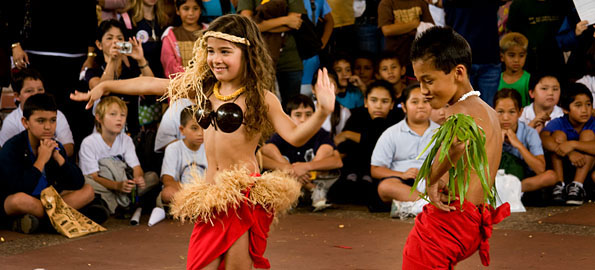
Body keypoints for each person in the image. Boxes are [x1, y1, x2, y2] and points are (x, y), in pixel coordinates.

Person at [72, 14, 335, 269]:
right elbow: (151, 83)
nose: (215, 59)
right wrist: (108, 87)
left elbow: (295, 135)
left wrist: (322, 111)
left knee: (237, 267)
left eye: (225, 52)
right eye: (211, 51)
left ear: (247, 53)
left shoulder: (261, 98)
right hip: (212, 197)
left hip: (242, 197)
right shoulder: (204, 90)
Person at [402, 26, 509, 269]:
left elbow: (457, 147)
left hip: (450, 221)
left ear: (458, 72)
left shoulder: (460, 113)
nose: (424, 90)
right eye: (419, 81)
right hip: (473, 222)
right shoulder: (489, 112)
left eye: (429, 80)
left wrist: (432, 178)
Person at [0, 94, 105, 234]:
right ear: (26, 122)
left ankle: (39, 223)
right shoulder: (12, 147)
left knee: (88, 191)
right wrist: (41, 160)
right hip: (24, 200)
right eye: (41, 121)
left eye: (53, 120)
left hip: (50, 201)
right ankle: (63, 220)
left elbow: (77, 183)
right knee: (19, 200)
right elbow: (19, 188)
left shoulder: (56, 146)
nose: (48, 127)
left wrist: (59, 158)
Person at [79, 97, 160, 215]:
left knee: (152, 177)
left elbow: (136, 167)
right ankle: (114, 203)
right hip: (104, 184)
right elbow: (94, 177)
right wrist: (117, 186)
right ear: (99, 118)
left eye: (122, 115)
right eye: (113, 114)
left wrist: (138, 178)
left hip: (123, 181)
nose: (119, 119)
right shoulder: (89, 143)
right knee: (88, 183)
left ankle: (117, 202)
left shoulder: (126, 140)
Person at [260, 95, 342, 211]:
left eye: (308, 115)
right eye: (298, 115)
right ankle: (307, 190)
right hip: (287, 182)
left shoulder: (321, 134)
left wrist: (306, 167)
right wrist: (290, 168)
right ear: (288, 117)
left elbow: (337, 162)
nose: (303, 119)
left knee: (327, 150)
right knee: (268, 149)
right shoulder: (279, 135)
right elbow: (260, 158)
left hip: (315, 179)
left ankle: (314, 191)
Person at [370, 83, 438, 219]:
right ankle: (428, 205)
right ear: (404, 107)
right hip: (403, 182)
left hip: (432, 181)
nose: (421, 106)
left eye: (426, 101)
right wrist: (402, 174)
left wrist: (432, 174)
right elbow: (376, 169)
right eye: (414, 102)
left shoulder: (441, 132)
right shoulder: (391, 133)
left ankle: (415, 206)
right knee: (385, 186)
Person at [329, 80, 399, 208]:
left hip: (383, 170)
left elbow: (379, 141)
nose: (378, 106)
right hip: (353, 170)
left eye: (384, 101)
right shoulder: (357, 116)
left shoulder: (397, 119)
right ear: (366, 102)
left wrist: (349, 134)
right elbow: (344, 146)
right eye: (373, 100)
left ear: (392, 104)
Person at [86, 19, 155, 137]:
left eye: (119, 38)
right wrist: (113, 60)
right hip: (104, 134)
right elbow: (104, 89)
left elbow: (151, 87)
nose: (115, 42)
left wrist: (140, 59)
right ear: (99, 44)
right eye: (109, 38)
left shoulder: (131, 69)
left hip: (132, 133)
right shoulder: (93, 71)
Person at [238, 0, 307, 106]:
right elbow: (247, 25)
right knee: (262, 104)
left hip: (290, 59)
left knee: (292, 106)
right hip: (259, 58)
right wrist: (286, 20)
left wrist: (261, 26)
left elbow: (296, 23)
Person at [494, 89, 557, 195]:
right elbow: (482, 166)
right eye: (500, 112)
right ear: (493, 111)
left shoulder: (530, 133)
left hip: (523, 181)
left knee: (551, 176)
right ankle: (502, 190)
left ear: (520, 112)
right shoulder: (490, 131)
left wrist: (518, 144)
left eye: (512, 112)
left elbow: (540, 169)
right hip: (495, 178)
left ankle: (511, 190)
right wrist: (497, 143)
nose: (505, 117)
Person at [540, 83, 595, 206]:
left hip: (585, 169)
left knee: (588, 136)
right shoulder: (559, 122)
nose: (585, 110)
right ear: (565, 109)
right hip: (563, 167)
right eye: (578, 105)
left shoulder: (593, 123)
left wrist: (573, 144)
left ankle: (577, 186)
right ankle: (559, 185)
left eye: (588, 104)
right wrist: (569, 152)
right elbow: (543, 139)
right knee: (557, 136)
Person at [0, 69, 74, 157]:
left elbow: (69, 147)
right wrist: (41, 157)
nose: (36, 94)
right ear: (17, 96)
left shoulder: (58, 114)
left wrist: (53, 152)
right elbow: (7, 153)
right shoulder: (11, 122)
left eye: (40, 90)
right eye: (29, 91)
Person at [159, 105, 207, 206]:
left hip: (204, 192)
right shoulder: (173, 148)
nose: (200, 133)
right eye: (194, 128)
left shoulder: (210, 147)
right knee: (167, 193)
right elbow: (167, 181)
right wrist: (192, 190)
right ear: (182, 130)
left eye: (204, 128)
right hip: (182, 192)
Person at [377, 0, 434, 65]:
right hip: (396, 54)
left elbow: (430, 28)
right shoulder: (386, 3)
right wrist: (414, 24)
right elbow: (387, 30)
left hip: (418, 54)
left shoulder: (420, 2)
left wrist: (400, 28)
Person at [161, 0, 207, 78]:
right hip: (179, 83)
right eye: (186, 9)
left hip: (206, 80)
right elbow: (169, 64)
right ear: (177, 11)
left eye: (195, 8)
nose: (191, 13)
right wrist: (188, 78)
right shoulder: (170, 34)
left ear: (200, 10)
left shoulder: (208, 31)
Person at [498, 32, 531, 107]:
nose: (516, 60)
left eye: (521, 55)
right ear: (502, 57)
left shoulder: (528, 79)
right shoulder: (496, 80)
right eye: (511, 55)